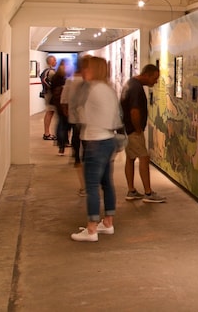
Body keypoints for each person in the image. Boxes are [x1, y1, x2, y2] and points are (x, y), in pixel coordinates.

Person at [70, 57, 120, 242]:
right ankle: (108, 222)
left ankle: (91, 229)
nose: (84, 71)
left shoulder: (91, 90)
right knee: (107, 183)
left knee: (91, 186)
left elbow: (77, 114)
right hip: (108, 140)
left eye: (87, 68)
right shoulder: (109, 89)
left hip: (94, 141)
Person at [120, 64, 165, 203]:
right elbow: (134, 111)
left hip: (126, 129)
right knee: (144, 158)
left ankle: (131, 190)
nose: (155, 82)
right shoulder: (136, 89)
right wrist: (138, 129)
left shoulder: (130, 83)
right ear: (147, 75)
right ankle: (148, 193)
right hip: (133, 130)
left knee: (130, 158)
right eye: (155, 78)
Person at [61, 55, 90, 196]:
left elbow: (64, 101)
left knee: (78, 152)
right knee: (88, 152)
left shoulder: (70, 81)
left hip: (76, 121)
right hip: (89, 124)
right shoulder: (90, 83)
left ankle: (84, 186)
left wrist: (69, 114)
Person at [50, 61, 69, 155]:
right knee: (62, 124)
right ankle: (62, 143)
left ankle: (61, 143)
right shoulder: (62, 79)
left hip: (58, 103)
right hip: (61, 104)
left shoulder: (55, 77)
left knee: (61, 123)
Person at [40, 55, 57, 140]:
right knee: (49, 112)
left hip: (49, 94)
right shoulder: (49, 71)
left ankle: (47, 133)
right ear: (50, 61)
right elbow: (45, 81)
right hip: (50, 95)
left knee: (50, 112)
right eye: (54, 60)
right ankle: (46, 133)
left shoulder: (47, 71)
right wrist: (53, 88)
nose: (56, 62)